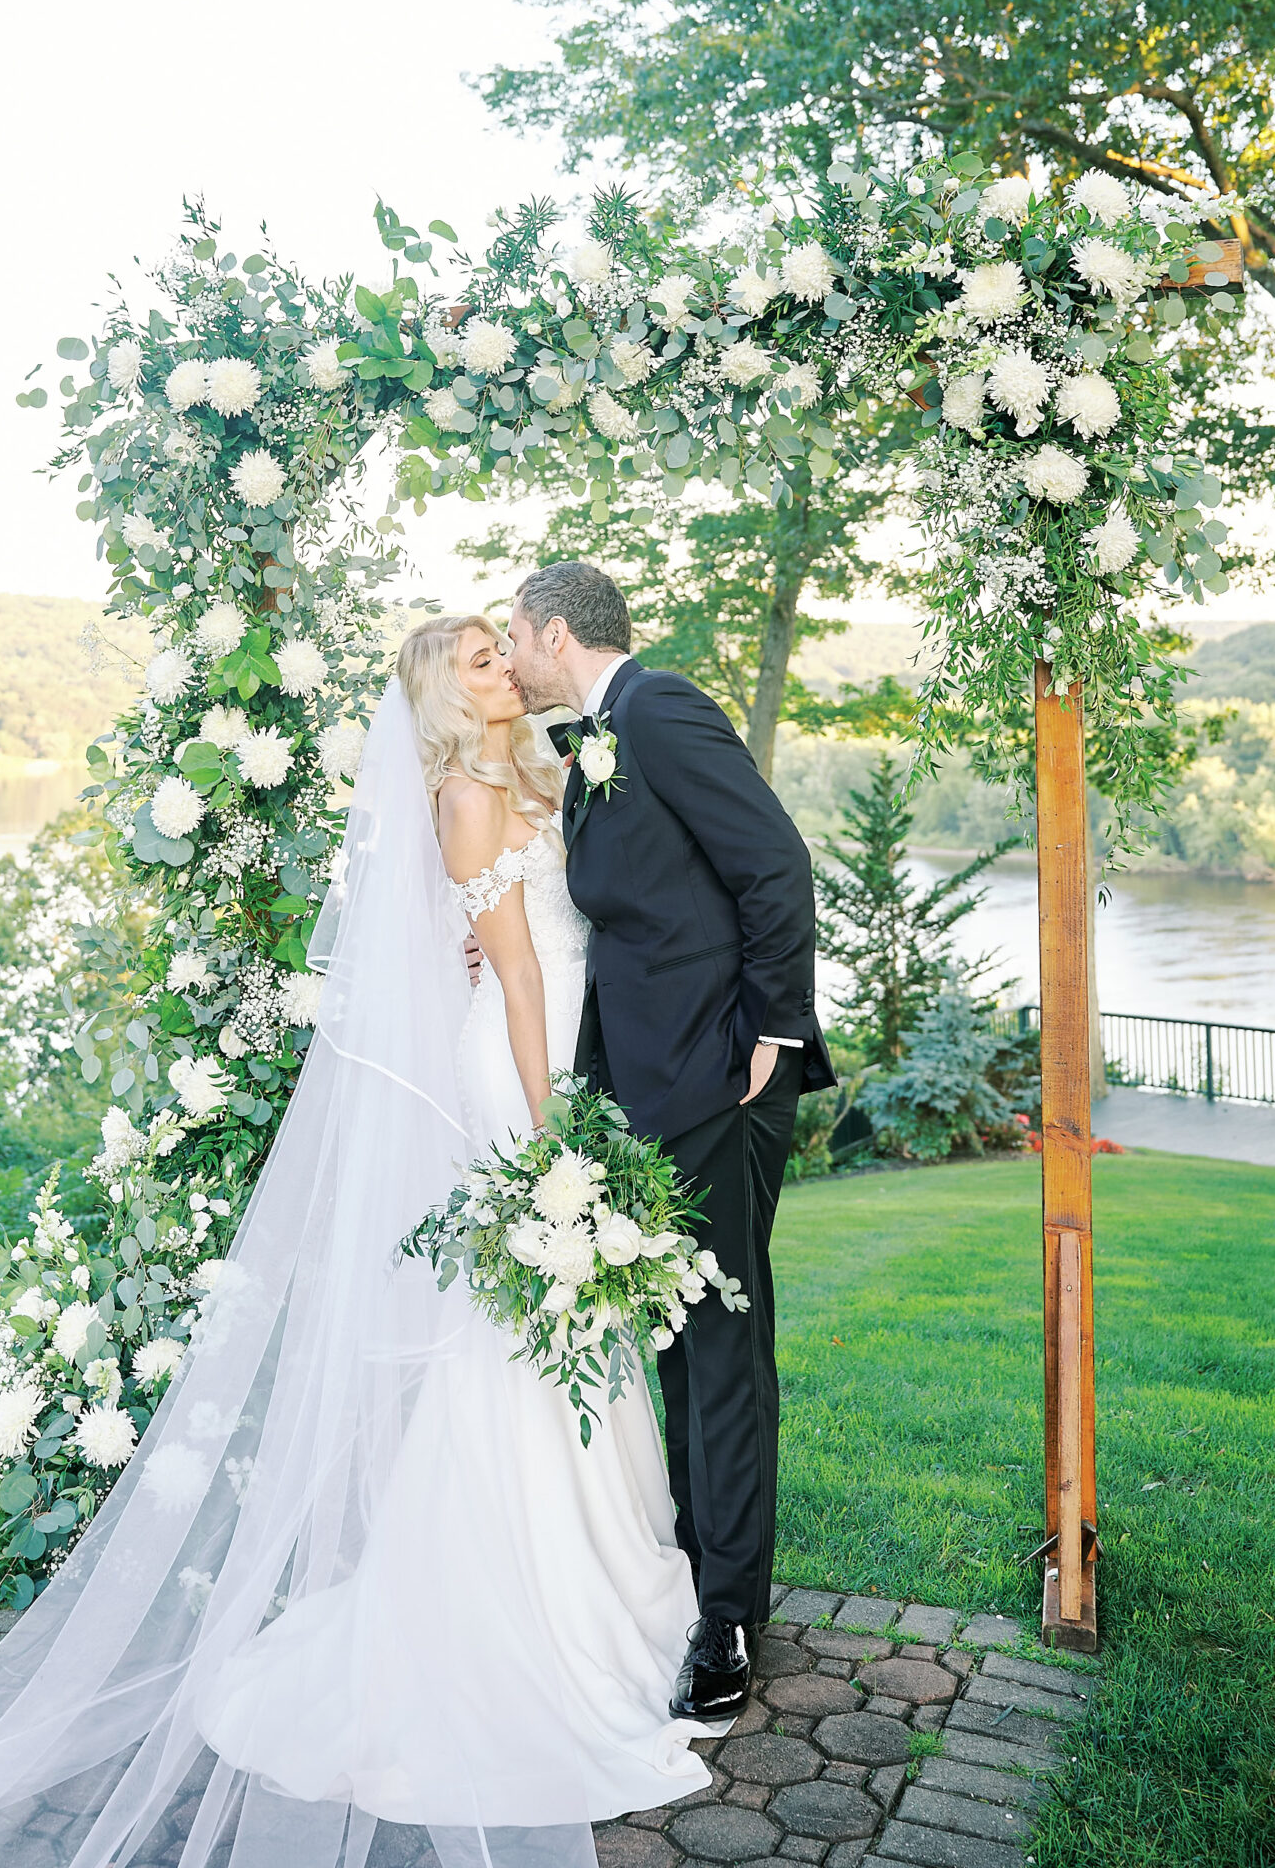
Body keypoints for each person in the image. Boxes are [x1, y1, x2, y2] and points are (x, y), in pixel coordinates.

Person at [0, 620, 710, 1868]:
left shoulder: (530, 774)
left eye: (497, 649)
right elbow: (516, 982)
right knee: (513, 1343)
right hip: (518, 1077)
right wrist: (545, 1146)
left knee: (542, 1339)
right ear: (439, 699)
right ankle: (519, 1616)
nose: (499, 667)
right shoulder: (468, 795)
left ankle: (588, 1597)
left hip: (557, 1054)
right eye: (474, 659)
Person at [505, 560, 833, 1731]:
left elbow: (772, 863)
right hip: (648, 1088)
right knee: (679, 1347)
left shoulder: (659, 707)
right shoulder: (594, 736)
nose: (507, 655)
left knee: (724, 1345)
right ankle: (700, 1573)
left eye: (514, 635)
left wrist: (776, 1029)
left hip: (721, 1080)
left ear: (554, 632)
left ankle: (732, 1618)